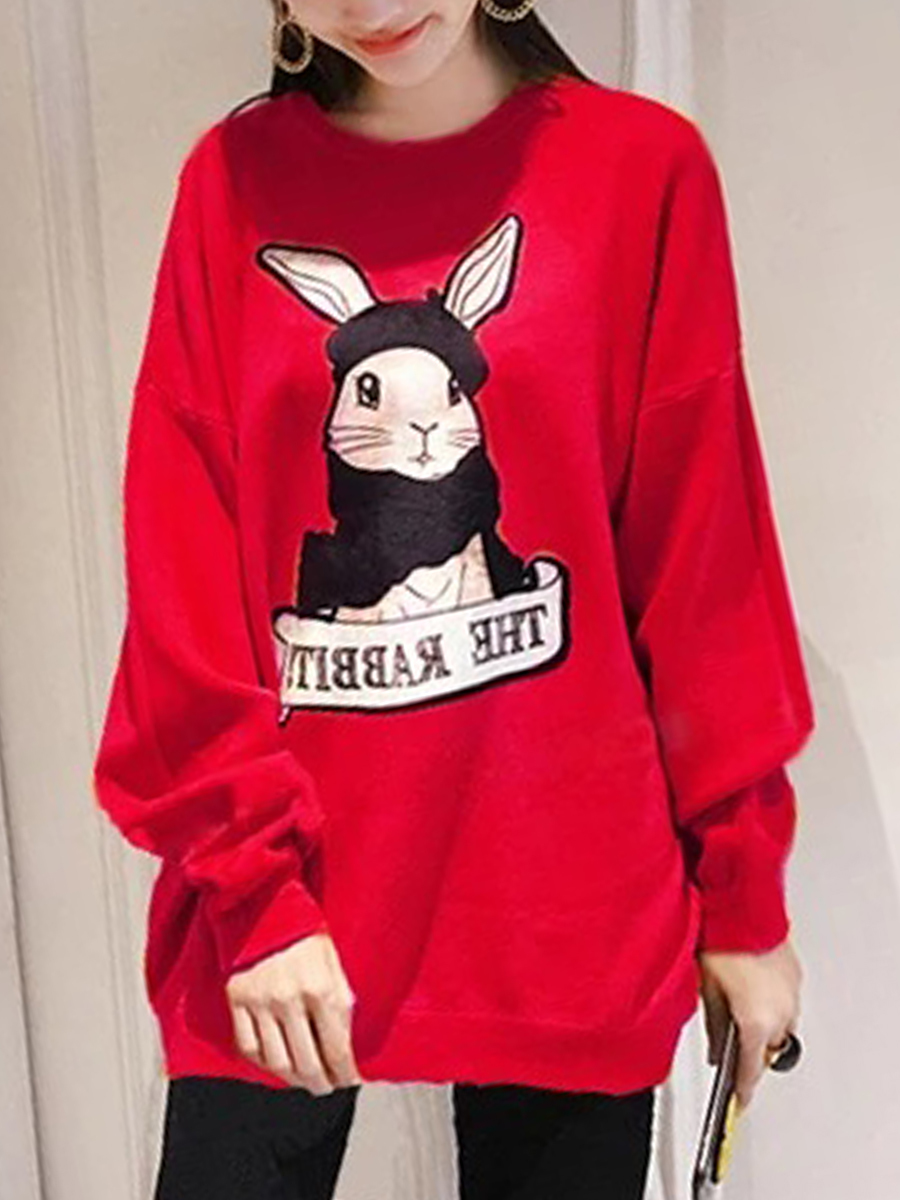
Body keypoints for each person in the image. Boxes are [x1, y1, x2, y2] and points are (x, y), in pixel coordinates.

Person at [91, 1, 817, 1196]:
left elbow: (704, 564)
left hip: (570, 906)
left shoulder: (641, 173)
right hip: (281, 905)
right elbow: (185, 570)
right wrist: (254, 895)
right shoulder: (233, 186)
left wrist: (742, 898)